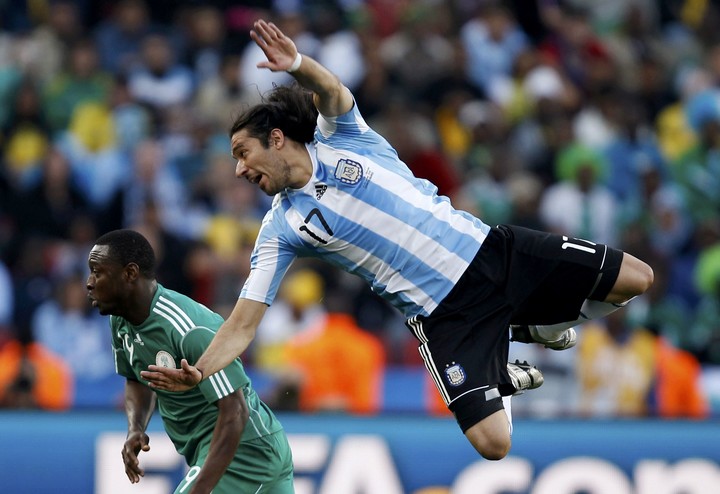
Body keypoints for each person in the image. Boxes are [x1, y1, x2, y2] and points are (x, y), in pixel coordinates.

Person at [142, 19, 654, 461]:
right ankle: (506, 369)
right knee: (494, 444)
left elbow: (331, 89)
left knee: (637, 279)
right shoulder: (281, 228)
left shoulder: (344, 136)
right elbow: (243, 322)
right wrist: (201, 371)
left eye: (242, 152)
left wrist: (296, 61)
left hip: (493, 252)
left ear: (276, 138)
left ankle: (523, 327)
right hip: (444, 315)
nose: (237, 169)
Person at [86, 229, 293, 493]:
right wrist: (135, 427)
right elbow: (138, 379)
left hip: (249, 454)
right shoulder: (120, 319)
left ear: (129, 273)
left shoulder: (190, 329)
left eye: (97, 271)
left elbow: (235, 413)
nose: (89, 282)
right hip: (223, 452)